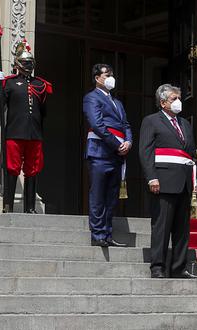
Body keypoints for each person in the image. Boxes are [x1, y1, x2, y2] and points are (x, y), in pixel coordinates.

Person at [139, 84, 197, 279]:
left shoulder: (185, 124)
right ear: (163, 102)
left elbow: (191, 154)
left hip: (184, 182)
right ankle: (158, 266)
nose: (178, 102)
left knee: (182, 229)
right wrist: (151, 177)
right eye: (173, 99)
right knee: (162, 226)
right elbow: (145, 151)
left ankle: (179, 267)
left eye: (178, 98)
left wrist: (194, 178)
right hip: (162, 181)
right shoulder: (151, 121)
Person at [0, 41, 53, 213]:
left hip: (34, 134)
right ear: (17, 64)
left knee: (32, 170)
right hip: (15, 132)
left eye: (30, 62)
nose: (28, 65)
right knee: (12, 169)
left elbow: (44, 111)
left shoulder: (41, 85)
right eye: (25, 62)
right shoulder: (9, 83)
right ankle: (8, 205)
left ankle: (30, 207)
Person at [82, 64, 131, 247]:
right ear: (97, 78)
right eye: (107, 75)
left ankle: (108, 233)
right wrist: (118, 144)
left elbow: (126, 125)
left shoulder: (117, 103)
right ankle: (98, 234)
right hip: (100, 152)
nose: (111, 78)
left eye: (112, 74)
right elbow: (97, 124)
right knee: (98, 195)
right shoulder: (91, 98)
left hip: (116, 155)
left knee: (111, 196)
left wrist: (128, 142)